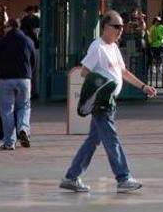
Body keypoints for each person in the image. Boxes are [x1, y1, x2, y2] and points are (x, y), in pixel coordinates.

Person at [60, 11, 157, 193]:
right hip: (102, 103)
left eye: (122, 27)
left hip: (109, 102)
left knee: (92, 141)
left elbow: (124, 72)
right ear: (105, 27)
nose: (121, 30)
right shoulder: (97, 47)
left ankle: (71, 177)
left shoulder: (113, 47)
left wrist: (143, 87)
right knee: (111, 139)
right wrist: (103, 84)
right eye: (117, 27)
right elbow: (84, 71)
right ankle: (123, 178)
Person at [0, 18, 35, 150]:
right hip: (24, 78)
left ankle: (10, 142)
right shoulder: (28, 41)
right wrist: (29, 73)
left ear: (10, 27)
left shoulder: (2, 41)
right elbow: (33, 60)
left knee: (7, 111)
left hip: (6, 79)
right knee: (24, 106)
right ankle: (23, 129)